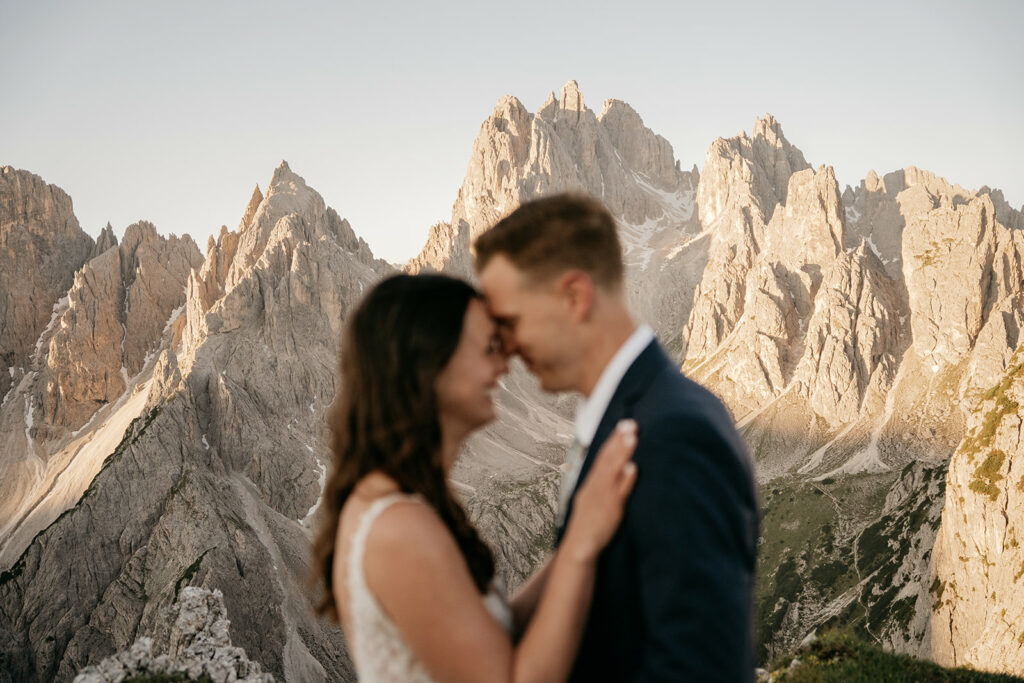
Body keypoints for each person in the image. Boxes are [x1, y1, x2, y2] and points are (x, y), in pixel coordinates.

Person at [475, 194, 760, 682]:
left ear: (575, 297)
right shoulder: (624, 414)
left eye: (510, 322)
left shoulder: (675, 435)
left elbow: (701, 666)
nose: (505, 345)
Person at [312, 273, 638, 683]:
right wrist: (581, 548)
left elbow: (489, 633)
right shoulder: (399, 527)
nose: (505, 364)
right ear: (430, 364)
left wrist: (579, 532)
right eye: (489, 348)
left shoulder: (404, 501)